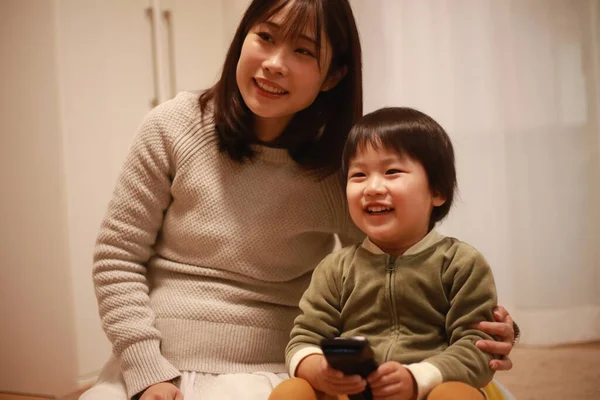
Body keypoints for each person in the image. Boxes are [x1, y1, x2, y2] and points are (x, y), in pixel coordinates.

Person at [80, 1, 517, 399]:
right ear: (243, 38)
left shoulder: (341, 169)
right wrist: (146, 370)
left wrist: (488, 326)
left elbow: (394, 267)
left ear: (333, 75)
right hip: (159, 362)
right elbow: (117, 257)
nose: (274, 64)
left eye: (303, 51)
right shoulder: (172, 126)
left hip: (275, 371)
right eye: (265, 37)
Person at [271, 107, 508, 400]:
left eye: (392, 172)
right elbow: (304, 337)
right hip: (355, 393)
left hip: (432, 388)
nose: (372, 187)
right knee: (291, 390)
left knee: (456, 396)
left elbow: (478, 347)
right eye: (358, 175)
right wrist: (317, 368)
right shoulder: (335, 269)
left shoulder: (461, 263)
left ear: (437, 191)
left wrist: (416, 377)